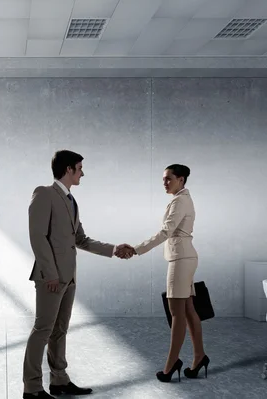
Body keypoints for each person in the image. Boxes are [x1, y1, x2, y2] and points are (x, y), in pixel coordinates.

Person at [22, 150, 133, 398]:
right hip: (50, 278)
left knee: (60, 330)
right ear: (68, 169)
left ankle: (59, 381)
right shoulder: (44, 194)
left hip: (69, 277)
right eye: (80, 168)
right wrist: (50, 274)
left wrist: (114, 249)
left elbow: (80, 239)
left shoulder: (72, 201)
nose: (83, 172)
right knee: (42, 329)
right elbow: (37, 237)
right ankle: (31, 388)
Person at [118, 164, 209, 383]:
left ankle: (171, 365)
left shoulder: (180, 201)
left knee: (176, 312)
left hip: (181, 259)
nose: (165, 182)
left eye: (169, 178)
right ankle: (199, 357)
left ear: (181, 179)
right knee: (187, 309)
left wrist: (137, 249)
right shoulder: (182, 199)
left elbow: (166, 232)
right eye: (163, 179)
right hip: (185, 257)